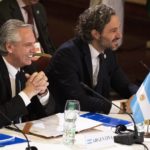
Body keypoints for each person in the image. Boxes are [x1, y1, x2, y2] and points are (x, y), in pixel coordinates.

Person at [46, 4, 138, 113]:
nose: (119, 35)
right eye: (113, 31)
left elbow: (125, 85)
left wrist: (137, 97)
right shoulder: (67, 55)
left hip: (93, 119)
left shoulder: (107, 52)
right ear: (96, 34)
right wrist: (122, 108)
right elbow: (79, 101)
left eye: (118, 28)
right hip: (63, 120)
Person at [0, 19, 54, 128]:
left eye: (34, 44)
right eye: (28, 45)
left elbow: (49, 113)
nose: (34, 50)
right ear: (9, 47)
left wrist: (42, 93)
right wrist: (27, 93)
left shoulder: (28, 68)